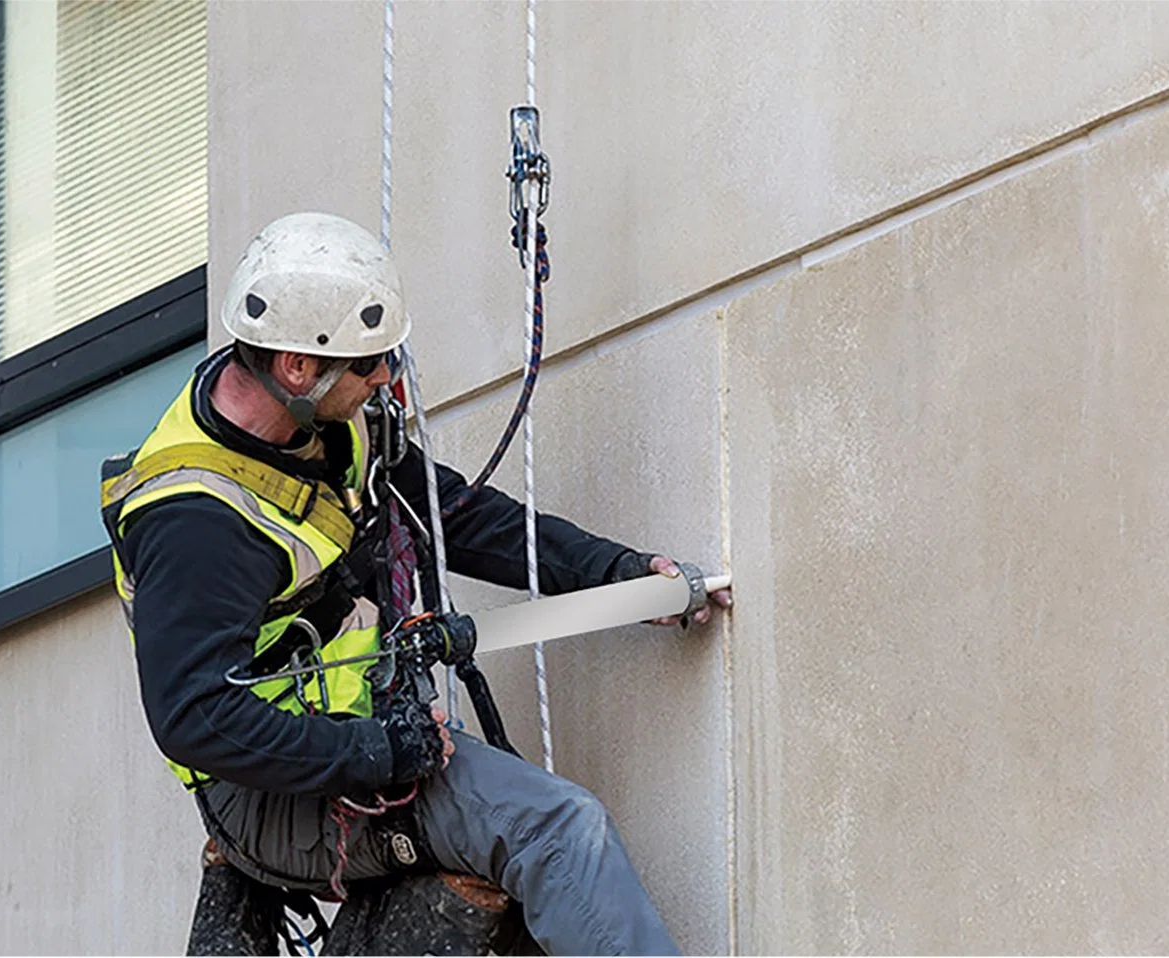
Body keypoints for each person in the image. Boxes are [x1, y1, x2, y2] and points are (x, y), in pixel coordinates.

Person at [101, 212, 731, 956]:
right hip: (274, 792)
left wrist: (619, 573)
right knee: (558, 830)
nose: (387, 378)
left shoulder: (332, 425)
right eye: (371, 364)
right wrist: (379, 753)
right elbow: (196, 719)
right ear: (298, 368)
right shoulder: (198, 519)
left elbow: (458, 518)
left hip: (361, 738)